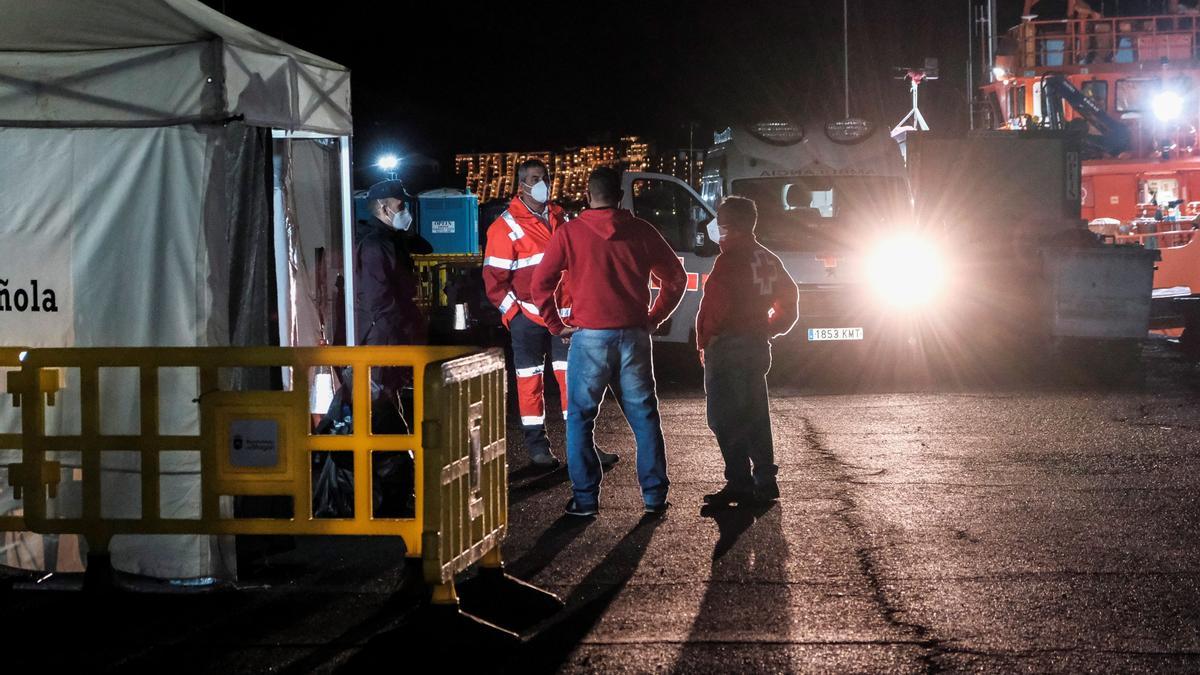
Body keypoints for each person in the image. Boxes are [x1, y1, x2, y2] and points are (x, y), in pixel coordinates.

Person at [531, 167, 687, 517]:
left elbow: (540, 284)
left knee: (581, 419)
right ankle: (654, 497)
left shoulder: (569, 233)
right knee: (645, 418)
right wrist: (653, 316)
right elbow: (674, 279)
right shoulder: (642, 230)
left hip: (588, 338)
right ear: (620, 195)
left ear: (588, 195)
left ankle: (585, 500)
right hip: (634, 335)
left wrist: (556, 325)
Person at [484, 159, 618, 469]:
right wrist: (514, 314)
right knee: (529, 383)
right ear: (522, 184)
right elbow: (493, 282)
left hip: (565, 320)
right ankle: (537, 450)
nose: (542, 182)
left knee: (575, 383)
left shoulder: (562, 218)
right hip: (528, 320)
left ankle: (583, 447)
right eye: (534, 178)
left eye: (545, 177)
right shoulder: (504, 227)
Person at [696, 196, 798, 506]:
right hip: (755, 345)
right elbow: (789, 301)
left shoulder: (730, 261)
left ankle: (739, 482)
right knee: (755, 413)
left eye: (720, 223)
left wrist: (705, 341)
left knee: (724, 417)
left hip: (727, 346)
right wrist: (769, 328)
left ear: (728, 226)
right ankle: (765, 480)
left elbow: (716, 307)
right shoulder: (766, 258)